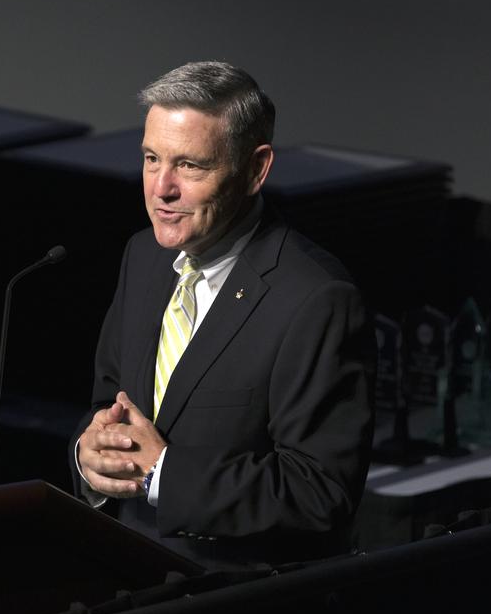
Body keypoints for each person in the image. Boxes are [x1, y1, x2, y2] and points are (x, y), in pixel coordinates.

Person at [70, 61, 374, 569]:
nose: (161, 188)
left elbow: (320, 493)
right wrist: (89, 454)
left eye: (189, 166)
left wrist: (163, 473)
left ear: (255, 170)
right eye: (151, 159)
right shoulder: (143, 256)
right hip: (122, 588)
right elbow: (108, 404)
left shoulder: (316, 298)